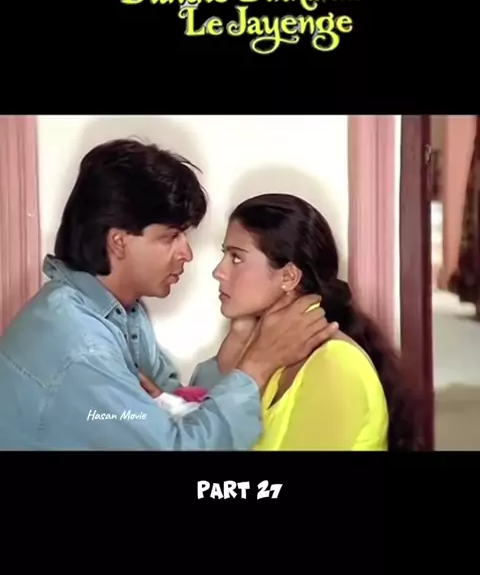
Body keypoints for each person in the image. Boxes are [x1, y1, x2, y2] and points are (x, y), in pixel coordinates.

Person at [0, 139, 336, 450]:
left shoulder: (121, 314)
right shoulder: (82, 349)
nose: (187, 254)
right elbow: (179, 446)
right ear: (119, 242)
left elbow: (175, 407)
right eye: (171, 236)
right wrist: (257, 368)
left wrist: (234, 347)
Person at [194, 193, 423, 451]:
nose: (219, 272)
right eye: (225, 255)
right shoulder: (273, 355)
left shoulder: (335, 364)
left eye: (236, 258)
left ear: (289, 276)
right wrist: (236, 342)